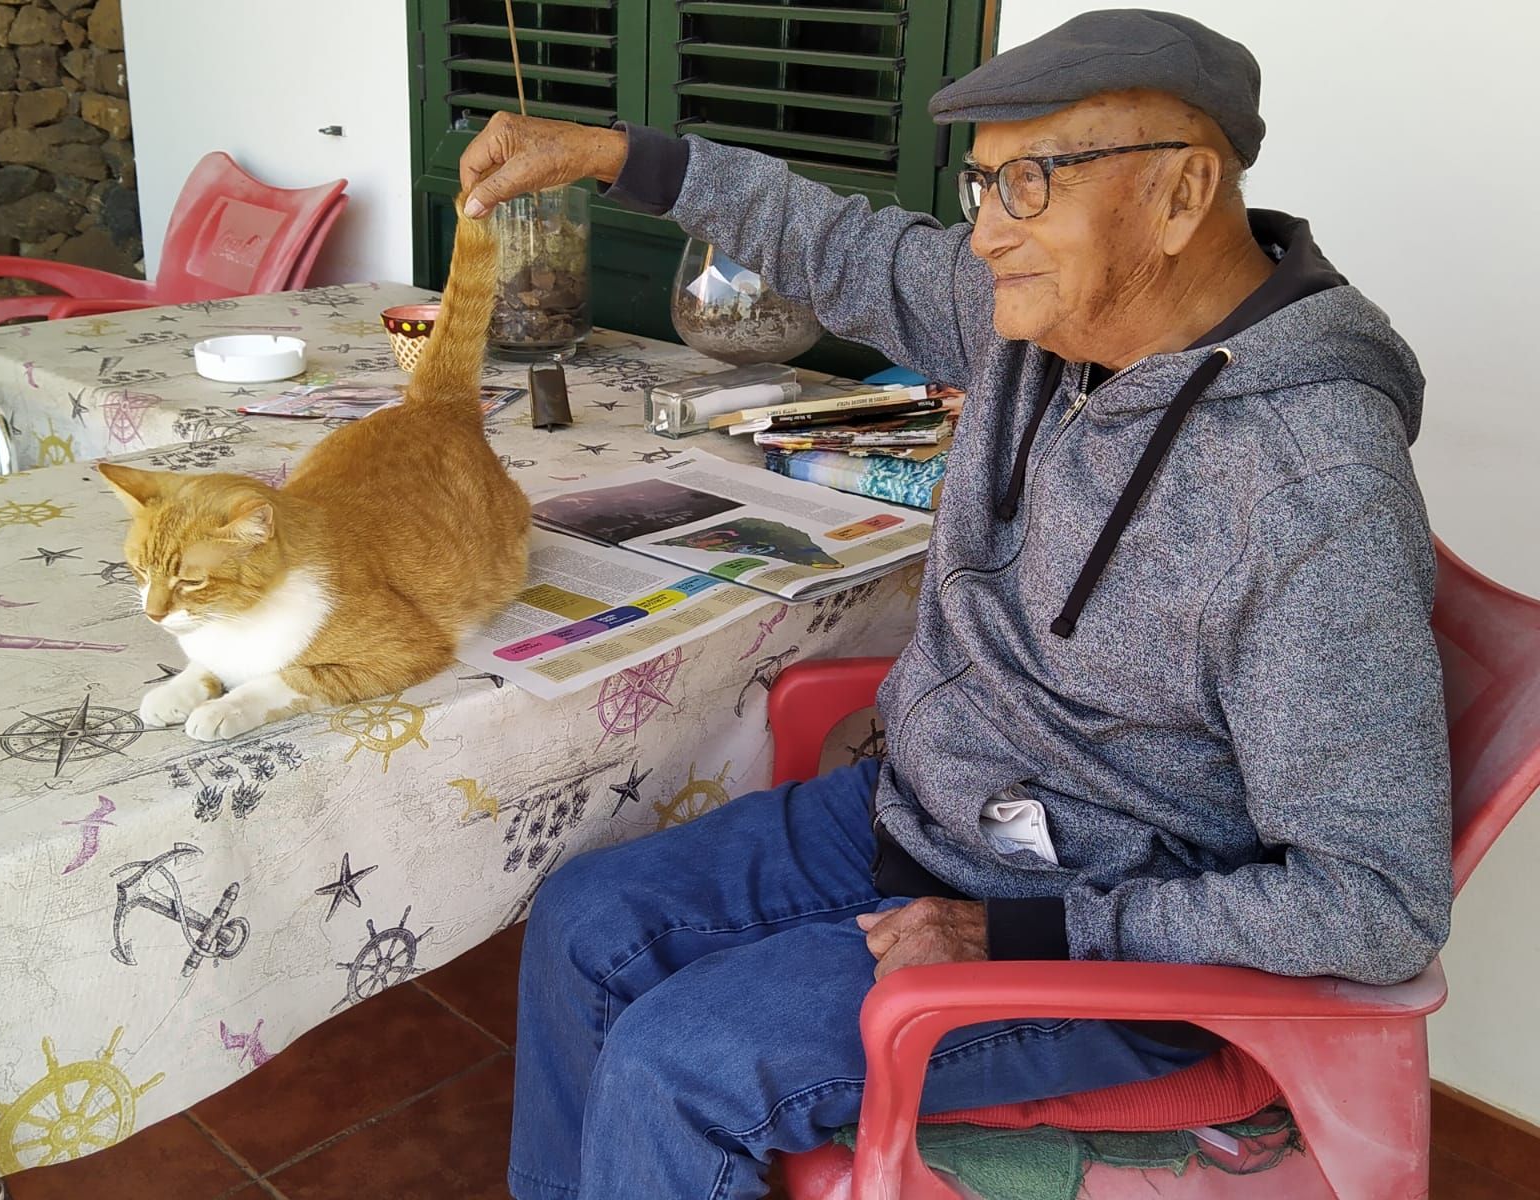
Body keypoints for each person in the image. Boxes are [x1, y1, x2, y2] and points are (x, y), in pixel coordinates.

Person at [461, 10, 1451, 1199]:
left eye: (1025, 185)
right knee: (583, 922)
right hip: (928, 816)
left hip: (1093, 935)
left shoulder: (1309, 487)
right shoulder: (1049, 318)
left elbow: (1376, 902)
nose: (982, 238)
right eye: (979, 187)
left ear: (1183, 192)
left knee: (684, 1062)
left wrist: (1029, 935)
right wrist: (614, 154)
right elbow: (841, 244)